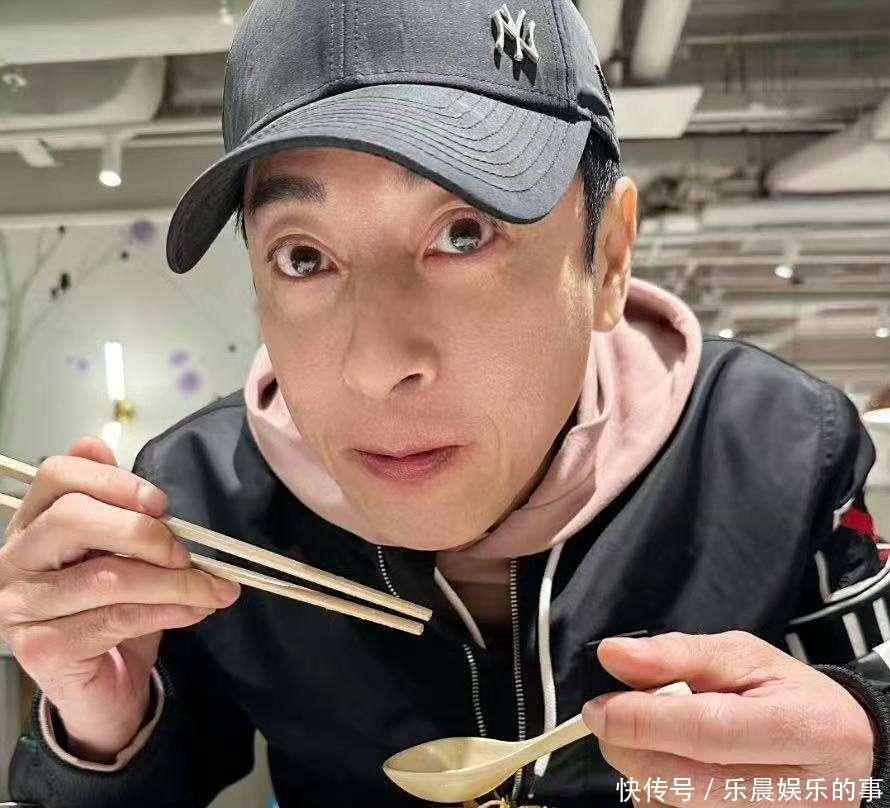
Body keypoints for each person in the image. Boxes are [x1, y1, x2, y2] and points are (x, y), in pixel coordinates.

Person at [3, 1, 890, 807]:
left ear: (608, 259)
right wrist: (100, 727)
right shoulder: (201, 502)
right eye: (304, 257)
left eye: (464, 234)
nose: (377, 366)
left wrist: (871, 746)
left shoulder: (775, 447)